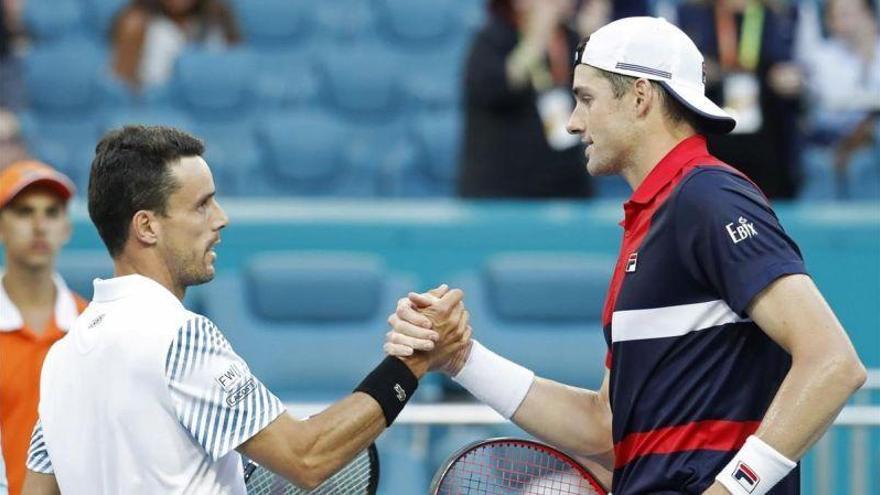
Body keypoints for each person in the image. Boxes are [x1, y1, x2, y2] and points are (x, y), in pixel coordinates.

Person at [386, 17, 867, 495]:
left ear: (640, 97)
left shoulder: (708, 197)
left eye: (586, 98)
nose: (574, 122)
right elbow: (603, 427)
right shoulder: (654, 220)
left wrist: (733, 490)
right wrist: (462, 359)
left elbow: (832, 362)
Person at [21, 126, 470, 494]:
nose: (221, 219)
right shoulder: (178, 336)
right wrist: (412, 363)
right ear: (147, 226)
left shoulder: (61, 359)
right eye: (201, 205)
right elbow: (307, 456)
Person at [0, 161, 87, 495]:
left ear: (65, 227)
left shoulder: (93, 328)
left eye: (52, 213)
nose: (39, 225)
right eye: (24, 212)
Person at [457, 0, 603, 199]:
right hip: (502, 192)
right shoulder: (493, 39)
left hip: (567, 186)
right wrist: (535, 41)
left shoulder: (572, 40)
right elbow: (494, 89)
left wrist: (596, 46)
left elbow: (599, 99)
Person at [110, 0, 241, 89]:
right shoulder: (136, 23)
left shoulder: (218, 17)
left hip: (212, 114)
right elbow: (120, 88)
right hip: (159, 119)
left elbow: (238, 72)